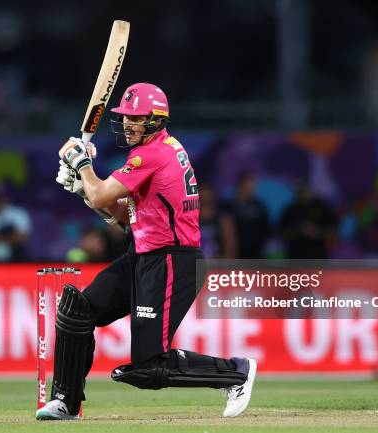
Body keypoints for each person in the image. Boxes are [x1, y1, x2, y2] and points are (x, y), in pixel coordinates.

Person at [39, 83, 256, 420]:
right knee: (77, 311)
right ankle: (66, 401)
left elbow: (102, 196)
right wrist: (84, 189)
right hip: (143, 254)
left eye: (134, 118)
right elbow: (124, 216)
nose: (127, 124)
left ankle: (236, 372)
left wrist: (81, 165)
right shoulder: (160, 149)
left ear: (155, 119)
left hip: (172, 261)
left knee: (148, 366)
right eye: (124, 118)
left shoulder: (152, 154)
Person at [279, 182, 338, 259]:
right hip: (296, 256)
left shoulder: (322, 208)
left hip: (318, 256)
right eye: (300, 191)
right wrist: (299, 230)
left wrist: (317, 231)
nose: (303, 194)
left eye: (306, 190)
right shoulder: (290, 210)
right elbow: (282, 233)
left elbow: (333, 230)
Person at [228, 174, 270, 259]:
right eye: (246, 187)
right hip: (236, 252)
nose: (249, 190)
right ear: (239, 187)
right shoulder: (230, 207)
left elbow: (266, 228)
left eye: (251, 188)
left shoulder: (259, 206)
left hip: (256, 252)